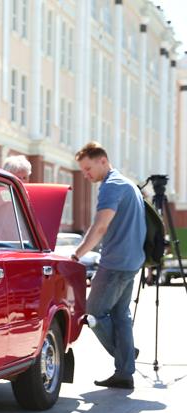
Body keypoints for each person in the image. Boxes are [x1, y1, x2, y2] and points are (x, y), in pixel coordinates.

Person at [72, 142, 145, 390]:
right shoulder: (129, 185)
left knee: (93, 313)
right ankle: (124, 370)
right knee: (121, 315)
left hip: (115, 263)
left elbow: (100, 226)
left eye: (88, 168)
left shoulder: (111, 186)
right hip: (131, 261)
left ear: (102, 160)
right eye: (83, 170)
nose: (86, 174)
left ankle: (125, 357)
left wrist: (77, 255)